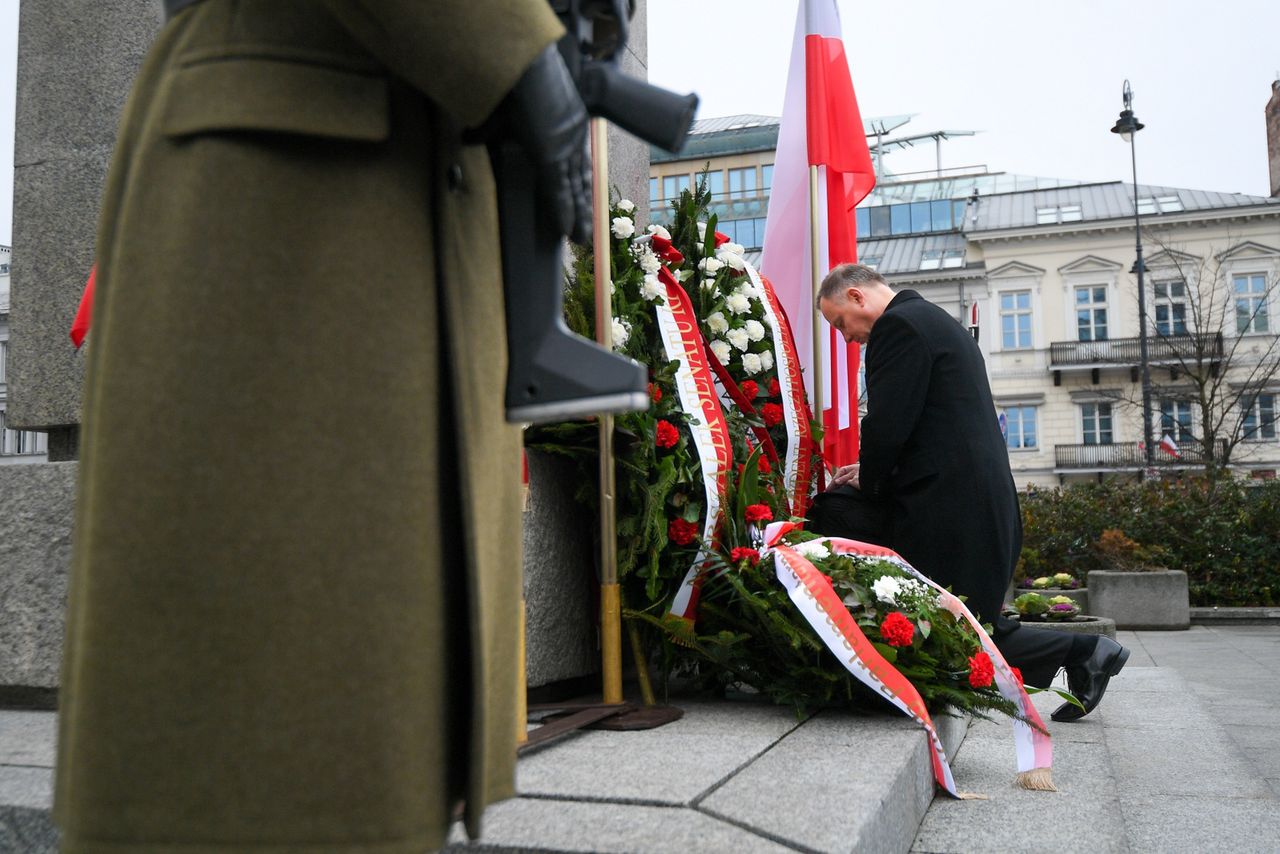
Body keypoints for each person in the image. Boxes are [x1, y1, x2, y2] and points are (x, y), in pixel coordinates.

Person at [55, 2, 589, 851]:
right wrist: (515, 43)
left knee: (373, 753)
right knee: (258, 766)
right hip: (297, 182)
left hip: (401, 170)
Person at [812, 262, 1128, 721]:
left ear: (858, 297)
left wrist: (870, 479)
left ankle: (1088, 651)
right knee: (968, 623)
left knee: (962, 626)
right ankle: (1085, 654)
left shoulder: (896, 327)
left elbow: (886, 425)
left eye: (841, 323)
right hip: (974, 501)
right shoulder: (935, 321)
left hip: (951, 508)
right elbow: (932, 424)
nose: (846, 337)